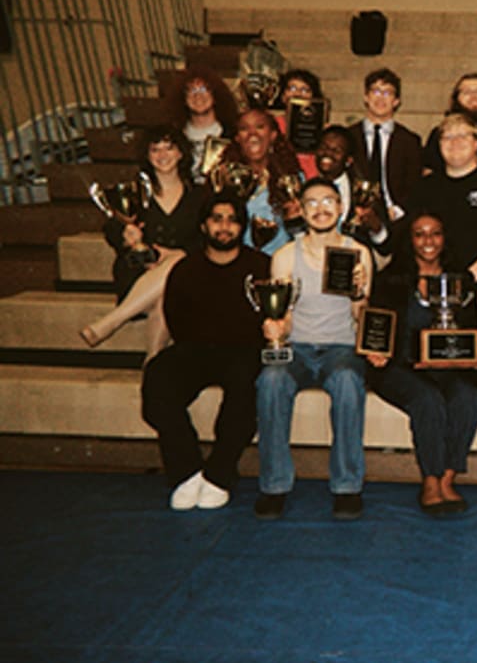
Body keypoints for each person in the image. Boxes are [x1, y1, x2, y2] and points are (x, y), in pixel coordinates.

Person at [141, 191, 270, 510]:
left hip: (244, 351)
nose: (224, 227)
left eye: (232, 220)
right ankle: (186, 472)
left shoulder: (261, 266)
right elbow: (175, 318)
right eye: (216, 219)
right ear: (203, 226)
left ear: (242, 227)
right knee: (158, 374)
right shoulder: (186, 269)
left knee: (244, 385)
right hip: (196, 350)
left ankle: (219, 474)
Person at [254, 178, 372, 520]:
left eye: (328, 202)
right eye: (313, 203)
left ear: (340, 207)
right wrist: (275, 327)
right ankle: (274, 485)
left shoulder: (358, 252)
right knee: (272, 379)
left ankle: (347, 487)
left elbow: (360, 319)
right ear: (302, 211)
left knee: (348, 380)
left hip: (342, 347)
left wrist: (358, 293)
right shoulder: (285, 256)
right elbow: (283, 315)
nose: (321, 209)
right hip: (299, 348)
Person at [365, 212, 477, 514]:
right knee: (427, 399)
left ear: (445, 238)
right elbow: (377, 330)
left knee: (469, 398)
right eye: (419, 234)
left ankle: (449, 477)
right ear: (409, 241)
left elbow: (470, 332)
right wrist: (375, 351)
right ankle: (431, 481)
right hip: (399, 367)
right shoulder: (390, 280)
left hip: (449, 367)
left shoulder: (461, 282)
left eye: (435, 233)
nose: (428, 241)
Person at [80, 127, 208, 358]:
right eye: (155, 149)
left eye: (169, 148)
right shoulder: (134, 192)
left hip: (186, 270)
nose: (162, 155)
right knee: (169, 287)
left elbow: (208, 237)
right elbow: (112, 226)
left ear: (181, 153)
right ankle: (152, 366)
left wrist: (177, 254)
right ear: (147, 156)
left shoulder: (200, 195)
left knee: (173, 277)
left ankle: (112, 325)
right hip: (139, 272)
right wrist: (126, 235)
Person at [407, 113, 477, 312]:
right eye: (448, 137)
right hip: (433, 282)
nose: (455, 142)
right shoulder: (424, 187)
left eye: (463, 135)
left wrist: (470, 277)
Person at [215, 107, 302, 255]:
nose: (252, 134)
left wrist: (294, 220)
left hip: (279, 263)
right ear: (237, 138)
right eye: (244, 129)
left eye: (260, 127)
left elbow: (303, 235)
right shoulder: (224, 180)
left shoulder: (292, 180)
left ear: (273, 135)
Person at [347, 67, 423, 222]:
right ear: (366, 97)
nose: (381, 98)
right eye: (375, 91)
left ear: (396, 101)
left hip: (395, 215)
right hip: (353, 214)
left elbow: (415, 185)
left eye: (387, 93)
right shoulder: (348, 136)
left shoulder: (409, 141)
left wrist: (398, 210)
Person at [164, 64, 239, 183]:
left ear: (215, 95)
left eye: (204, 89)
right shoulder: (175, 138)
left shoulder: (233, 135)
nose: (198, 96)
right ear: (183, 98)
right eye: (191, 90)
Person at [274, 68, 325, 178]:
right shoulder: (272, 125)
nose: (297, 94)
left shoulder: (323, 128)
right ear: (283, 96)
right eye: (292, 88)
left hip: (312, 181)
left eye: (305, 90)